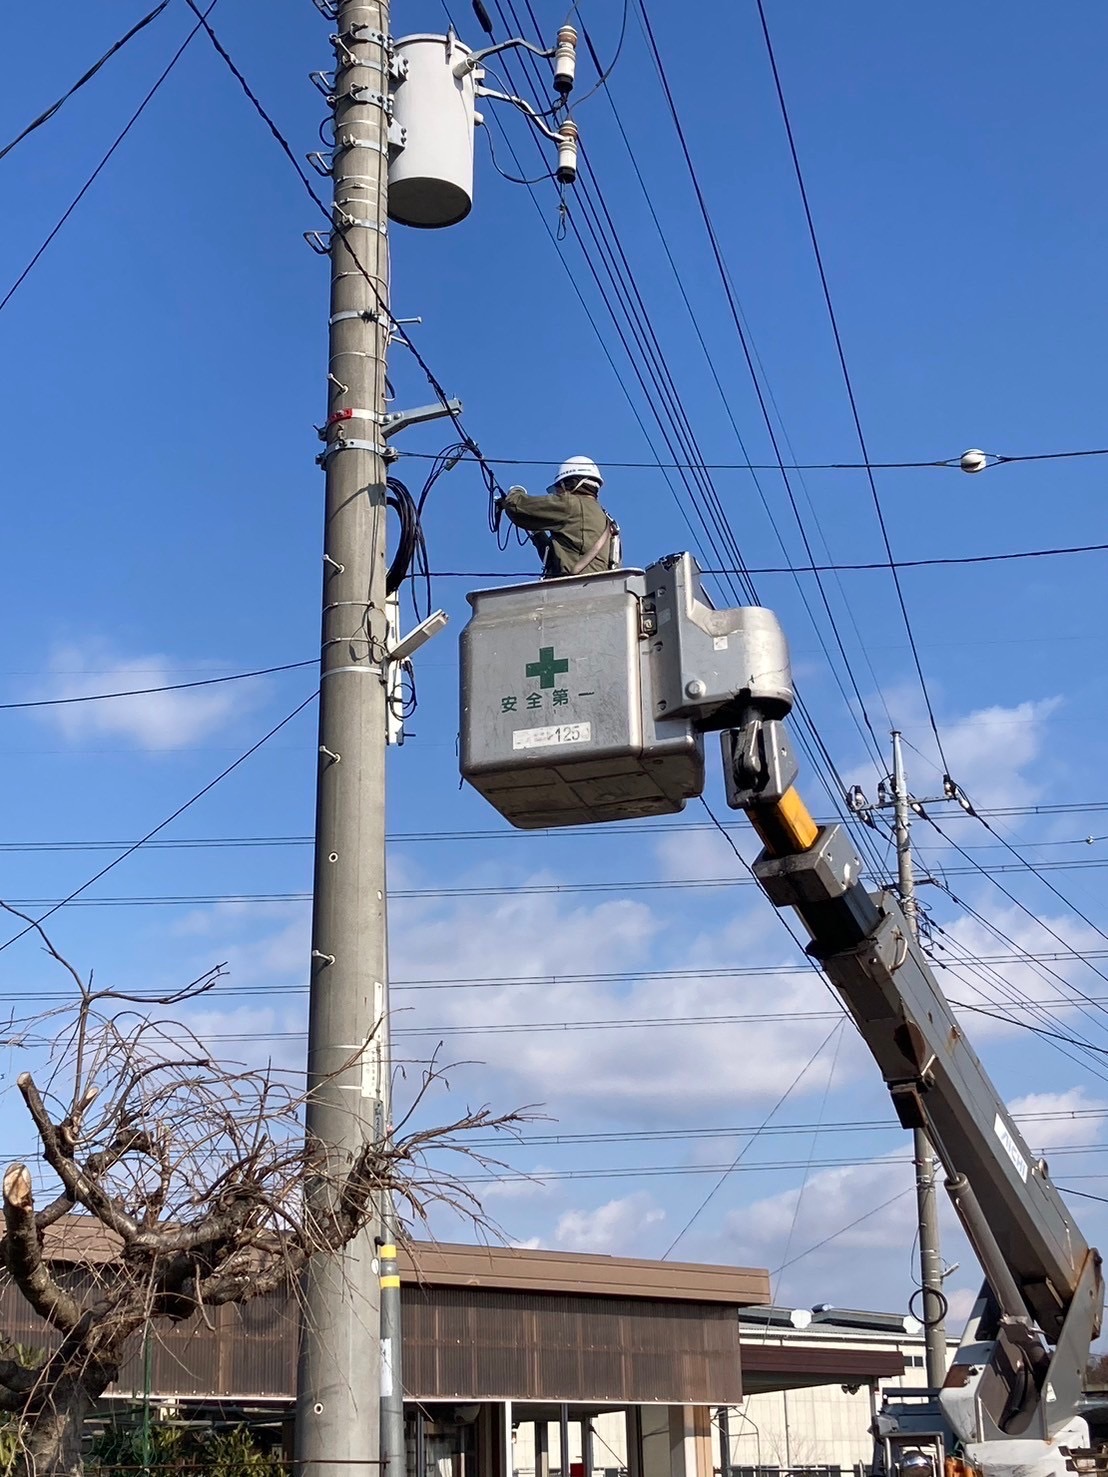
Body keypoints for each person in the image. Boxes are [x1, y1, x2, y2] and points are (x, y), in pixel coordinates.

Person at [497, 456, 621, 578]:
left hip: (573, 589)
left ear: (569, 484)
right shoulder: (605, 518)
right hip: (597, 589)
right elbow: (555, 558)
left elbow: (516, 506)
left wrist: (515, 491)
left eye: (558, 489)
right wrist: (537, 532)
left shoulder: (571, 504)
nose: (558, 493)